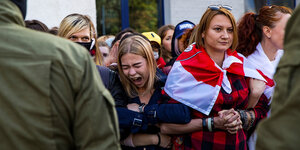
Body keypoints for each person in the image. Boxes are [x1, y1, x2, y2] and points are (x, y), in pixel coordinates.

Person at [0, 0, 120, 149]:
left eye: (84, 39)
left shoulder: (103, 73)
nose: (79, 43)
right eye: (73, 38)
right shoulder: (65, 57)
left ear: (92, 40)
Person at [161, 5, 269, 150]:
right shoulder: (186, 68)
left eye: (230, 30)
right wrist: (213, 123)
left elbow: (262, 109)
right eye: (218, 29)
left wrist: (242, 116)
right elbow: (167, 126)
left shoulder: (240, 65)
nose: (225, 35)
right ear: (203, 33)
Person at [116, 34, 191, 149]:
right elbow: (114, 122)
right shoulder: (118, 87)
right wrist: (155, 129)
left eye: (137, 65)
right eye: (125, 67)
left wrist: (142, 110)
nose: (131, 72)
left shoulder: (166, 84)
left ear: (150, 61)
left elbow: (182, 114)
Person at [237, 5, 292, 150]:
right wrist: (254, 96)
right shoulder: (246, 64)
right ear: (267, 31)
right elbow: (239, 112)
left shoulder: (288, 57)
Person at [255, 5, 300, 150]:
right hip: (265, 137)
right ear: (267, 31)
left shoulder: (285, 56)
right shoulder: (246, 64)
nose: (291, 34)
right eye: (287, 28)